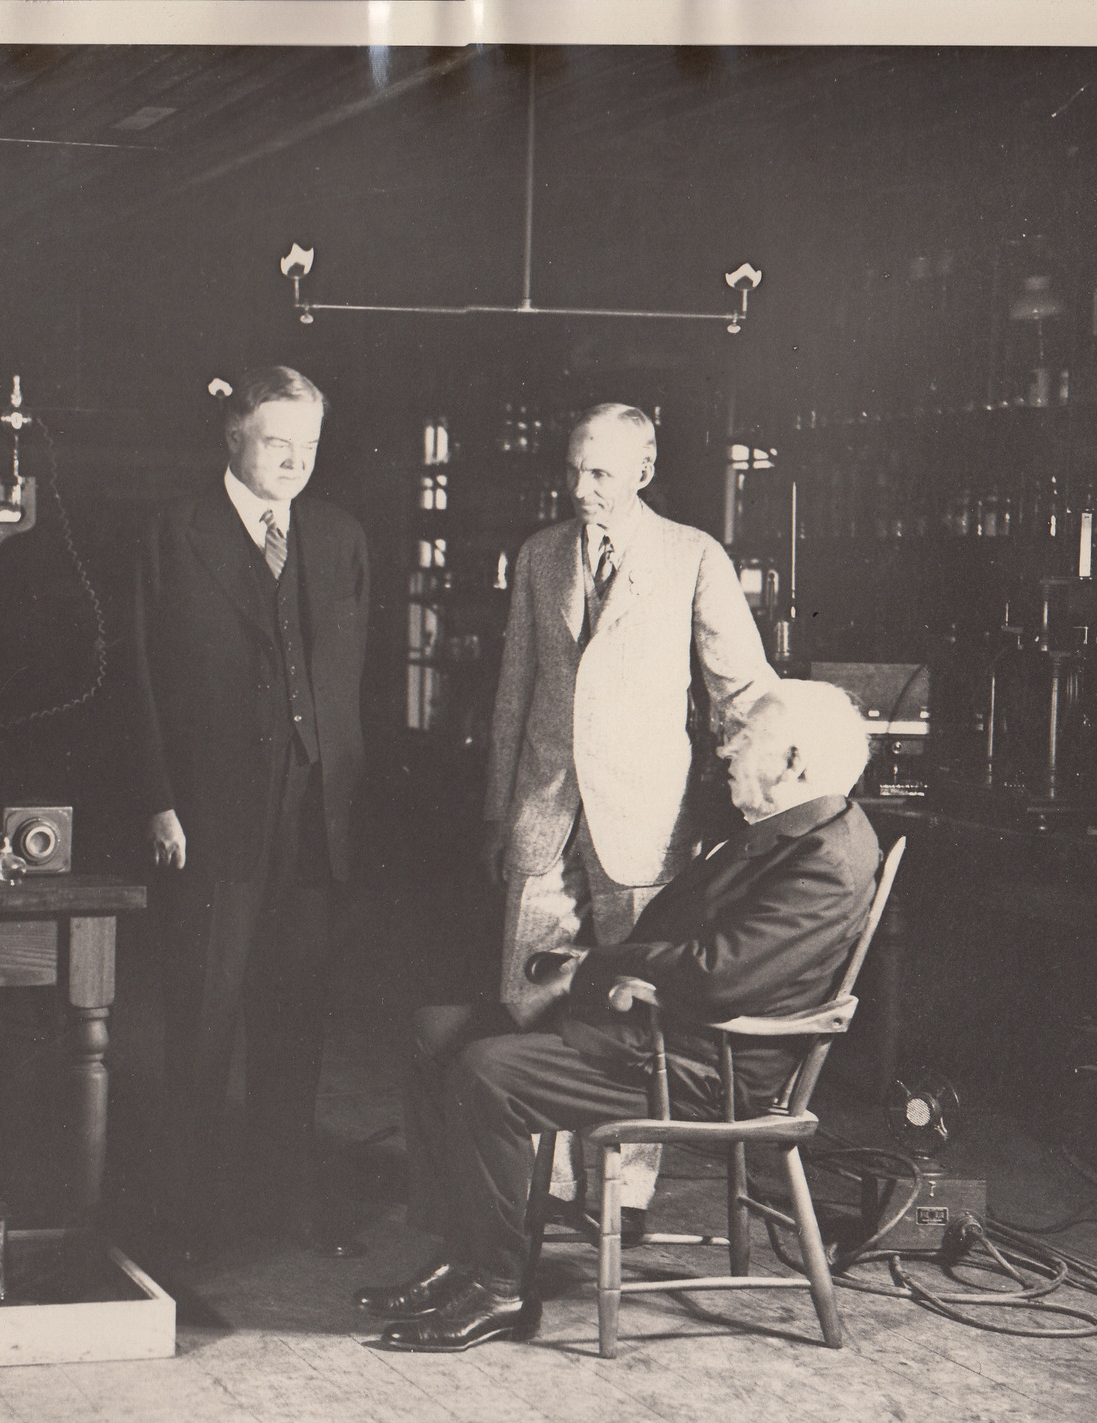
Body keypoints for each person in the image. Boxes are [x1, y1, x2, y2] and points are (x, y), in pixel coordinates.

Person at [360, 680, 881, 1350]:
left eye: (742, 738)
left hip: (702, 1065)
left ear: (793, 761)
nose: (723, 749)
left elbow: (718, 975)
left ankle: (498, 1287)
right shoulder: (789, 829)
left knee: (486, 1071)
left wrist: (592, 968)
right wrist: (596, 971)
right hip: (661, 1033)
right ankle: (460, 1255)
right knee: (435, 1031)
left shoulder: (824, 859)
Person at [482, 402, 775, 1229]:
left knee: (634, 1013)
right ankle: (543, 1189)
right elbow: (513, 692)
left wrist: (774, 776)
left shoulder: (691, 556)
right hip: (543, 815)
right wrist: (496, 813)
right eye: (572, 469)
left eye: (600, 473)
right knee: (528, 999)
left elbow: (739, 685)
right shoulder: (540, 555)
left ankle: (620, 1198)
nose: (580, 487)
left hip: (645, 824)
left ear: (643, 471)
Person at [124, 366, 369, 1256]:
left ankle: (282, 1206)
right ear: (233, 437)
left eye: (308, 445)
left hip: (310, 819)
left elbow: (350, 688)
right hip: (206, 817)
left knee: (293, 1020)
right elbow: (138, 680)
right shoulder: (172, 535)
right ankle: (183, 1219)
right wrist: (156, 799)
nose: (295, 461)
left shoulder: (339, 538)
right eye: (277, 442)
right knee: (201, 1019)